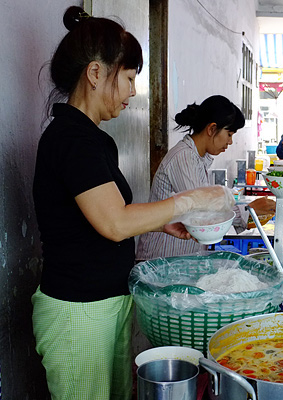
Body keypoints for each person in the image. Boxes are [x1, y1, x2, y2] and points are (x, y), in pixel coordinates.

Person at [31, 7, 234, 399]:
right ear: (95, 74)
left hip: (110, 300)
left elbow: (108, 217)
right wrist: (188, 202)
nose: (132, 91)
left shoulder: (97, 140)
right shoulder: (69, 139)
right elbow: (115, 223)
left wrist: (159, 223)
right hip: (79, 311)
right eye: (127, 78)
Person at [136, 96, 276, 261]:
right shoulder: (184, 157)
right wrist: (248, 210)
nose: (230, 142)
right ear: (211, 129)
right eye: (229, 134)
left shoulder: (197, 158)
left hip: (179, 256)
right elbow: (202, 212)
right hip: (161, 257)